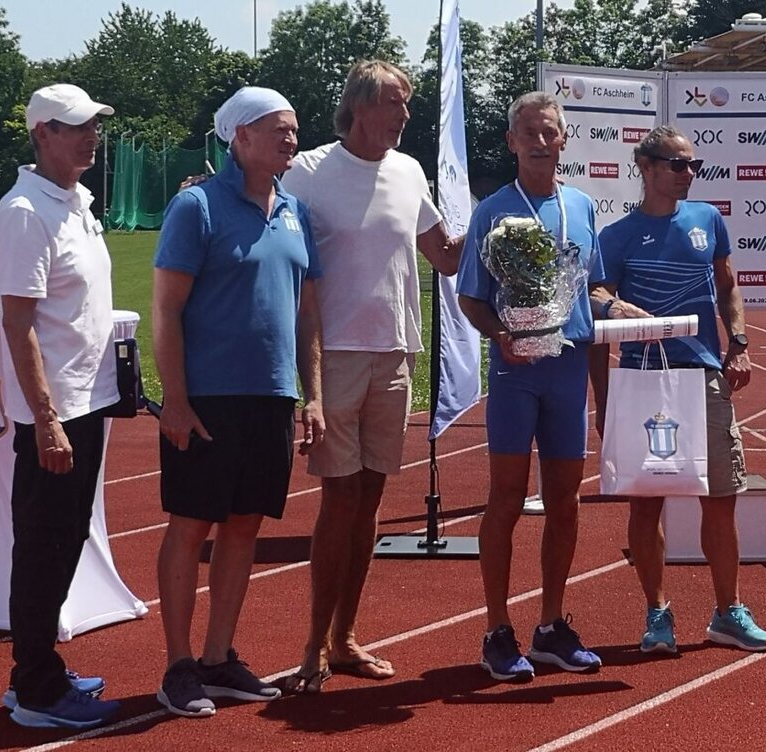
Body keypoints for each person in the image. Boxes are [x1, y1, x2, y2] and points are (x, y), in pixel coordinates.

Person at [277, 60, 460, 694]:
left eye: (407, 104)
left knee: (372, 503)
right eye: (395, 103)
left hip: (395, 354)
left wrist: (508, 222)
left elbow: (444, 255)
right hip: (334, 357)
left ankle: (345, 638)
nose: (405, 115)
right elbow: (269, 237)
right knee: (339, 500)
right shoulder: (307, 171)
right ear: (359, 106)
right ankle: (311, 644)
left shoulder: (409, 172)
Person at [152, 87, 324, 716]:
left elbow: (308, 316)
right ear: (240, 138)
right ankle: (177, 665)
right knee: (192, 524)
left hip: (272, 397)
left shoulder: (297, 212)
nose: (290, 139)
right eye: (277, 130)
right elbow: (166, 310)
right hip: (207, 399)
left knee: (245, 524)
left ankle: (218, 656)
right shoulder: (195, 206)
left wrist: (313, 395)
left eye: (295, 129)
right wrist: (174, 399)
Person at [589, 124, 766, 654]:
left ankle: (728, 612)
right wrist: (611, 305)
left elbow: (727, 283)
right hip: (643, 378)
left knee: (720, 498)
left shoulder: (707, 220)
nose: (688, 174)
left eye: (693, 164)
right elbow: (595, 291)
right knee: (646, 505)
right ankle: (657, 616)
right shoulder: (618, 235)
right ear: (645, 168)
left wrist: (738, 343)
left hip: (701, 376)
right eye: (677, 164)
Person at [457, 91, 605, 682]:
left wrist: (619, 309)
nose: (541, 142)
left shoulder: (583, 206)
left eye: (550, 132)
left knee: (566, 500)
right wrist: (500, 336)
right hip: (517, 373)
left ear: (563, 138)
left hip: (568, 369)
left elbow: (590, 289)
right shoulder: (493, 211)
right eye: (529, 133)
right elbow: (470, 296)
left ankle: (551, 625)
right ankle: (497, 629)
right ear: (511, 142)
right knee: (507, 498)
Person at [0, 83, 121, 729]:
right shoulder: (24, 211)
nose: (89, 135)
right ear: (41, 133)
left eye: (93, 124)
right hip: (57, 414)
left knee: (65, 541)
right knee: (43, 548)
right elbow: (18, 323)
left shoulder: (75, 202)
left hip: (86, 405)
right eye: (75, 127)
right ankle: (38, 691)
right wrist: (45, 421)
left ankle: (35, 676)